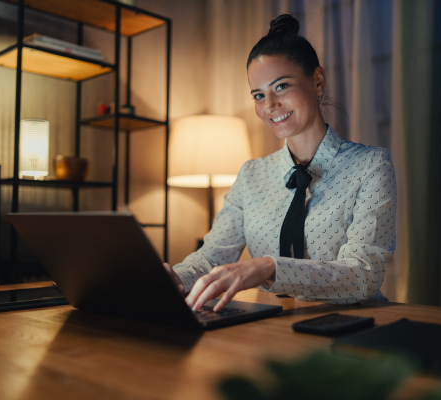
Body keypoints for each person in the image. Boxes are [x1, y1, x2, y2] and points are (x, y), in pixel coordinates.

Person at [165, 14, 396, 312]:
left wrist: (270, 268)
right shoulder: (251, 175)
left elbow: (364, 276)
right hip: (273, 328)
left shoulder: (371, 166)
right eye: (258, 95)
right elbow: (210, 259)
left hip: (353, 329)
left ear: (317, 81)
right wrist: (174, 277)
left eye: (282, 86)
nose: (269, 106)